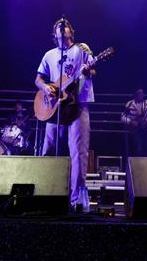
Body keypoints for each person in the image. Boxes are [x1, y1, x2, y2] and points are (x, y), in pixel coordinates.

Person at [34, 18, 93, 213]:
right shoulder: (49, 55)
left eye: (65, 25)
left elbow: (92, 69)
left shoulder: (81, 49)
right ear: (55, 34)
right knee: (48, 148)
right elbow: (38, 79)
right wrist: (45, 88)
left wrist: (87, 71)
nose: (62, 26)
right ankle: (44, 192)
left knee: (77, 152)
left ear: (70, 31)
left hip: (77, 104)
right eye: (59, 26)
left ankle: (77, 200)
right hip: (56, 107)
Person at [121, 88, 147, 157]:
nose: (140, 94)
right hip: (136, 130)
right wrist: (131, 122)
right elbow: (123, 117)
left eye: (142, 93)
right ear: (135, 94)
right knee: (138, 150)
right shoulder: (130, 104)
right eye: (138, 93)